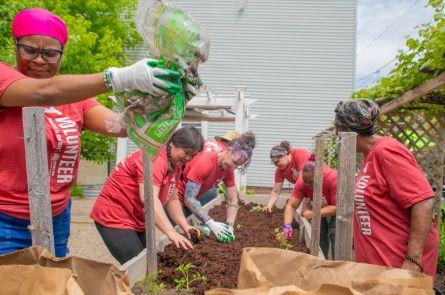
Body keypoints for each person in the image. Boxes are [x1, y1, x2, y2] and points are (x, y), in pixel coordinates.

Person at [0, 8, 180, 258]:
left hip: (56, 217)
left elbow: (122, 126)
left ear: (61, 54)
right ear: (16, 45)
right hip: (6, 220)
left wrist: (160, 102)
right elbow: (42, 92)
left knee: (51, 284)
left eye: (50, 53)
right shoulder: (5, 79)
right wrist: (120, 77)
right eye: (30, 50)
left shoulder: (74, 100)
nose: (40, 60)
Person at [334, 99, 438, 277]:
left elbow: (423, 202)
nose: (336, 135)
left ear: (349, 131)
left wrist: (413, 260)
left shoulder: (387, 152)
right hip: (380, 265)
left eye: (337, 129)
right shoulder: (370, 155)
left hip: (398, 265)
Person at [90, 126, 203, 264]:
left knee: (150, 263)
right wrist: (170, 232)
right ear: (173, 143)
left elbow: (172, 199)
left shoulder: (175, 165)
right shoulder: (155, 159)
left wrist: (184, 225)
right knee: (138, 266)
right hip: (115, 215)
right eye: (186, 152)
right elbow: (149, 198)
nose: (188, 158)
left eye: (192, 155)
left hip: (137, 218)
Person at [177, 132, 256, 242]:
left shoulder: (228, 170)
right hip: (177, 198)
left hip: (194, 197)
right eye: (233, 161)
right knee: (178, 232)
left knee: (190, 229)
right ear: (228, 150)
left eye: (237, 166)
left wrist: (230, 225)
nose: (233, 167)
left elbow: (233, 199)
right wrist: (210, 222)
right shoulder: (206, 162)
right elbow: (189, 198)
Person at [279, 155, 337, 258]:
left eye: (311, 182)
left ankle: (338, 264)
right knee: (319, 234)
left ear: (320, 175)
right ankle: (321, 262)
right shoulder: (302, 182)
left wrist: (314, 213)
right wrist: (287, 226)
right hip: (321, 207)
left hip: (339, 209)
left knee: (334, 233)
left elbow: (337, 208)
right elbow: (291, 205)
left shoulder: (332, 178)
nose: (307, 185)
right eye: (305, 181)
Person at [263, 141, 311, 212]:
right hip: (306, 189)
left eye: (277, 162)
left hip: (318, 185)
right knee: (305, 213)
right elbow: (276, 191)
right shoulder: (280, 170)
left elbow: (302, 180)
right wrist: (269, 205)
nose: (276, 165)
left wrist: (291, 202)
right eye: (274, 163)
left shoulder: (299, 154)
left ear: (284, 155)